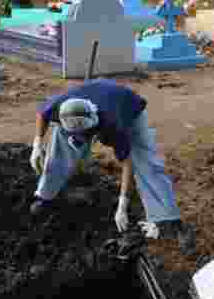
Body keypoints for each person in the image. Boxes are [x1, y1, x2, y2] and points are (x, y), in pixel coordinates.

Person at [30, 79, 195, 252]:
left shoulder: (114, 126)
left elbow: (127, 163)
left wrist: (122, 205)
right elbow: (43, 113)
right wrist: (37, 144)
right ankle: (45, 196)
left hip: (128, 108)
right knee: (60, 143)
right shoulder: (63, 107)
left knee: (146, 162)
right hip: (92, 99)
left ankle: (171, 220)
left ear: (94, 129)